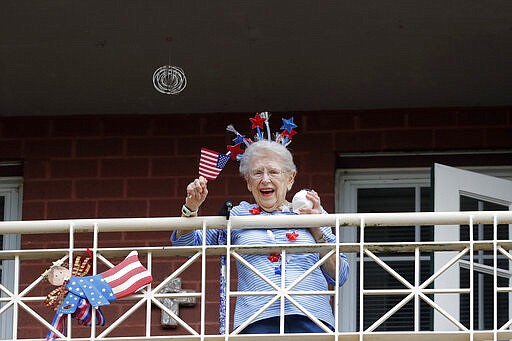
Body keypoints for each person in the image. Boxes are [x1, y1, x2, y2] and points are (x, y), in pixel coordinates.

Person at [171, 139, 349, 334]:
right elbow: (186, 246)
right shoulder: (238, 215)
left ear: (290, 179)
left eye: (273, 172)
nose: (265, 179)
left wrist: (317, 230)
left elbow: (339, 275)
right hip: (257, 320)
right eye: (257, 173)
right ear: (248, 182)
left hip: (312, 319)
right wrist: (191, 208)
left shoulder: (312, 212)